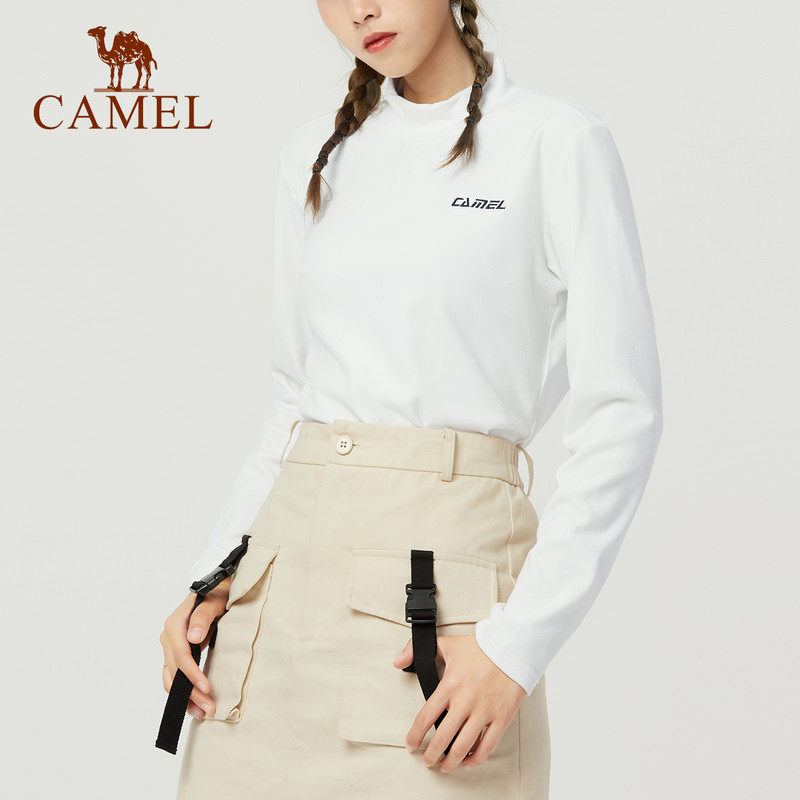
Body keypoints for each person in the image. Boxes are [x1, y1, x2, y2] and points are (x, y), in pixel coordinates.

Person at [160, 1, 663, 797]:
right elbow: (295, 401)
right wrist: (211, 577)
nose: (359, 9)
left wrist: (515, 648)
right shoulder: (316, 156)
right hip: (273, 612)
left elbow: (621, 414)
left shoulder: (555, 143)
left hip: (437, 608)